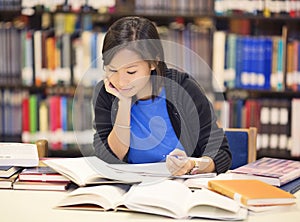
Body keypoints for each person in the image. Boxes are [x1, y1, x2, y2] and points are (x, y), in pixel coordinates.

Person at [92, 16, 232, 176]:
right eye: (112, 70)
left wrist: (192, 164)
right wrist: (123, 103)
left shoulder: (183, 88)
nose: (121, 81)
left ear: (153, 62)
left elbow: (220, 153)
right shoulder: (107, 93)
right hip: (130, 189)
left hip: (182, 188)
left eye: (131, 72)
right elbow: (109, 157)